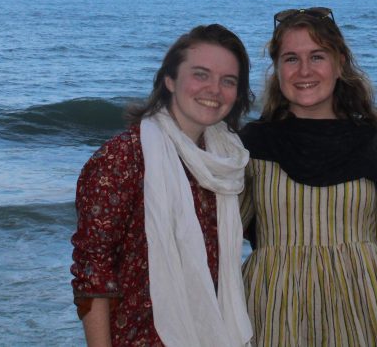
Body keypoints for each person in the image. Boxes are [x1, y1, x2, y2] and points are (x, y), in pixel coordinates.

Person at [239, 7, 377, 346]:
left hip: (366, 315)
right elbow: (215, 236)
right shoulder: (254, 144)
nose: (304, 70)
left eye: (317, 56)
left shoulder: (372, 144)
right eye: (291, 58)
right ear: (277, 68)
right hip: (275, 314)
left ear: (340, 62)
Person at [71, 24, 254, 347]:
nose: (214, 89)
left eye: (228, 81)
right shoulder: (123, 158)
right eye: (201, 74)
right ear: (170, 80)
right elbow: (93, 275)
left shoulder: (226, 164)